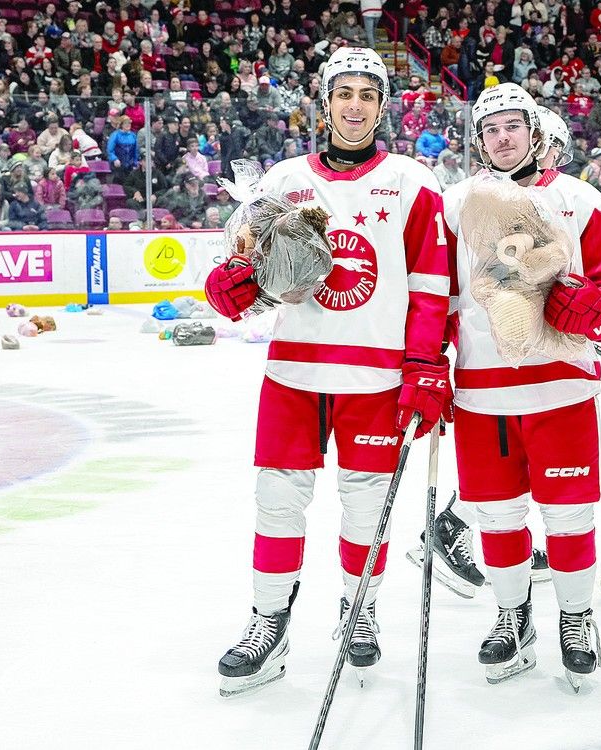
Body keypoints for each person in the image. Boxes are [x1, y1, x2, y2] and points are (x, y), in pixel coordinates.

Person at [205, 47, 451, 698]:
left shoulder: (412, 182)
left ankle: (359, 607)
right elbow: (244, 268)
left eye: (368, 95)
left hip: (375, 380)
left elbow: (431, 286)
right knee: (277, 503)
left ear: (381, 106)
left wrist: (426, 361)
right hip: (294, 373)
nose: (355, 105)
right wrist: (232, 286)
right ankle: (269, 624)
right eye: (343, 93)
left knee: (366, 509)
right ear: (324, 101)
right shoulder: (283, 180)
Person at [442, 83, 601, 689]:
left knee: (570, 516)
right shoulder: (454, 205)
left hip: (562, 391)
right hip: (481, 392)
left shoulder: (580, 200)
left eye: (512, 126)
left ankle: (576, 618)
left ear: (535, 132)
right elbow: (435, 296)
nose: (502, 137)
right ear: (479, 138)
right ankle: (512, 616)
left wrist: (591, 306)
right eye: (491, 128)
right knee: (497, 516)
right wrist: (423, 362)